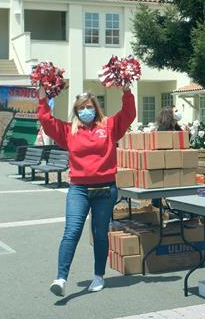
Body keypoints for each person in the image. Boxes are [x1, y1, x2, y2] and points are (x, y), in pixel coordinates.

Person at [38, 86, 136, 296]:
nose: (86, 111)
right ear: (76, 110)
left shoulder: (109, 126)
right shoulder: (68, 131)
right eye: (81, 108)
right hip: (79, 189)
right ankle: (61, 278)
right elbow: (47, 122)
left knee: (99, 233)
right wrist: (42, 98)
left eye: (89, 107)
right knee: (72, 231)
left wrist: (127, 91)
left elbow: (129, 114)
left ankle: (99, 275)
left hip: (105, 189)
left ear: (96, 108)